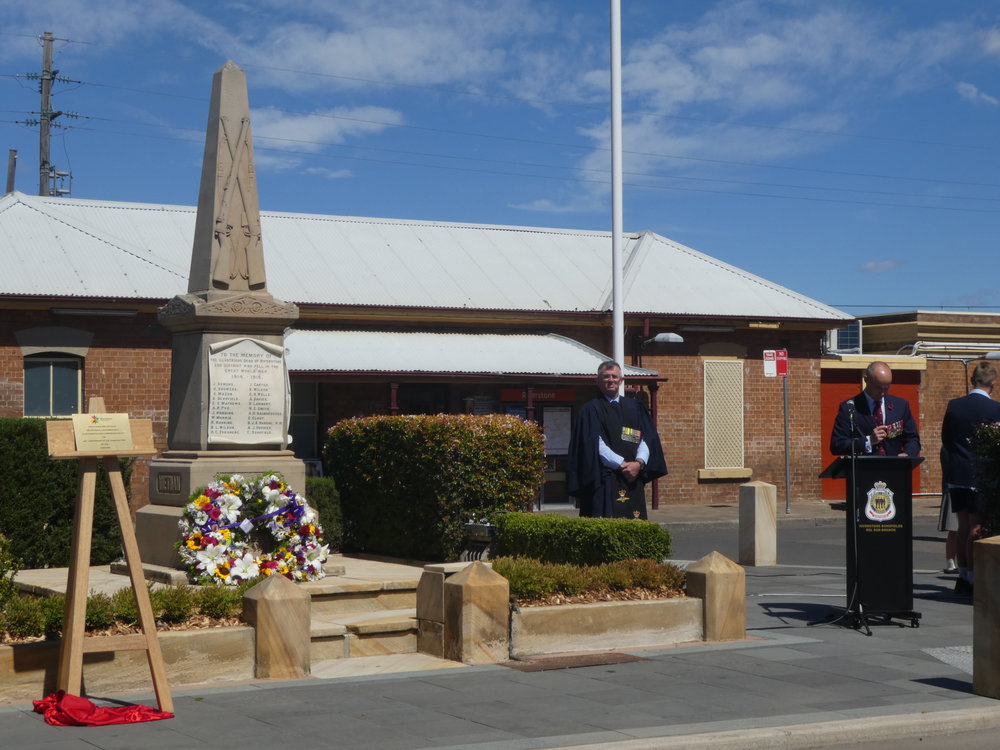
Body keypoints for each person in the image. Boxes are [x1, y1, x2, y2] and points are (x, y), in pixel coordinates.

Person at [567, 360, 667, 519]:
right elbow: (593, 444)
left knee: (634, 526)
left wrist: (639, 463)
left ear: (621, 380)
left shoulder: (635, 407)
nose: (611, 380)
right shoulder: (590, 410)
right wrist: (622, 464)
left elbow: (646, 437)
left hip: (632, 479)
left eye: (614, 376)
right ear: (597, 381)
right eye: (606, 377)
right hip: (604, 479)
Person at [940, 360, 1000, 596]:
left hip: (957, 473)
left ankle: (963, 576)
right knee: (978, 527)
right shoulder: (995, 409)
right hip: (980, 475)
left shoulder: (955, 406)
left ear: (972, 379)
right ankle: (974, 579)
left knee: (963, 525)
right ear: (993, 383)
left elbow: (946, 440)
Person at [829, 361, 920, 458]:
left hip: (895, 468)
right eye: (878, 388)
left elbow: (913, 439)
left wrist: (907, 454)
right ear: (866, 379)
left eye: (886, 388)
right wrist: (869, 441)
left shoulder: (900, 406)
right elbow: (837, 445)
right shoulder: (850, 408)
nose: (882, 393)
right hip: (865, 469)